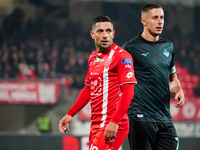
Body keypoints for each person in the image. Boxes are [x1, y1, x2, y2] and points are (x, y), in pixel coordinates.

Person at [59, 15, 137, 150]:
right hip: (95, 124)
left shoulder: (122, 56)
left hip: (112, 123)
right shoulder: (93, 57)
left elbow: (129, 91)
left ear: (113, 33)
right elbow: (89, 89)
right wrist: (70, 114)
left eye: (108, 31)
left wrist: (115, 121)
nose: (105, 35)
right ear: (92, 34)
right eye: (100, 31)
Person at [122, 3, 185, 150]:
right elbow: (121, 81)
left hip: (164, 117)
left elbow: (172, 78)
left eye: (162, 18)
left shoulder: (168, 47)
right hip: (140, 117)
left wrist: (178, 90)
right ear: (143, 21)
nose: (160, 21)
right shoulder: (130, 48)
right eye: (155, 18)